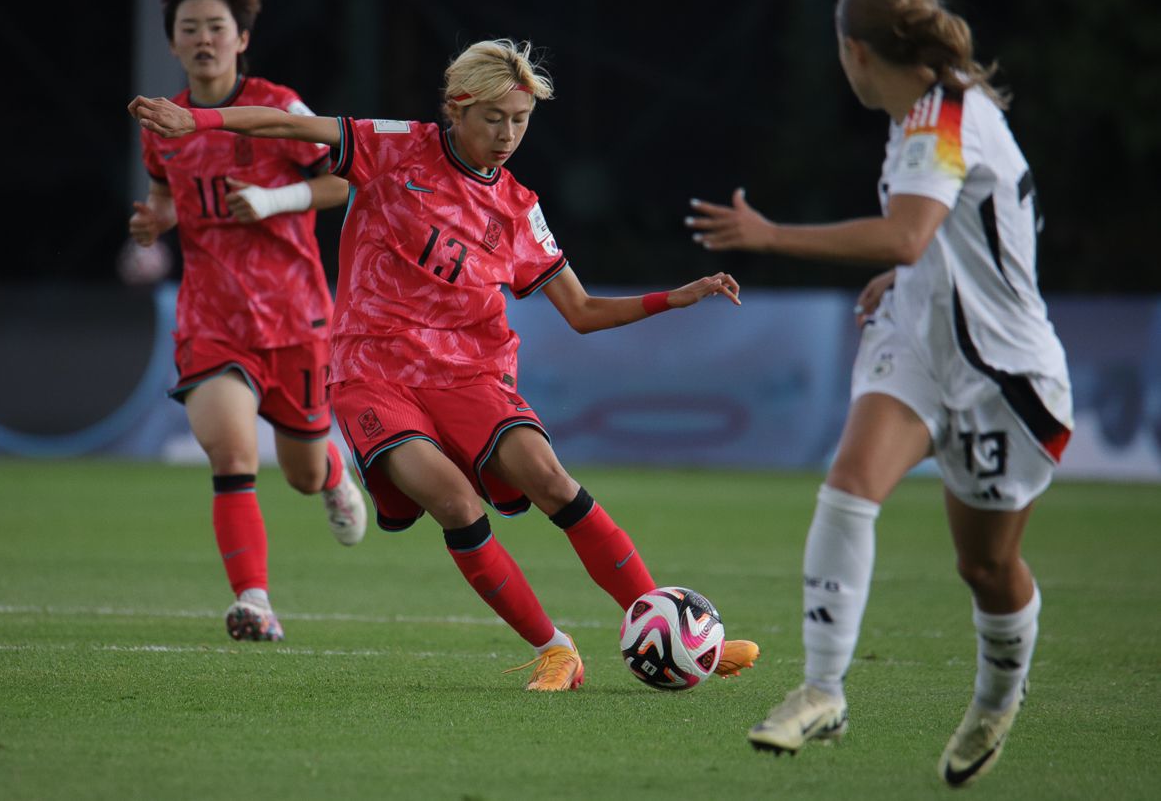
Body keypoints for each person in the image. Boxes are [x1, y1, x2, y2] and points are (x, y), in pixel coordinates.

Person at [131, 38, 760, 690]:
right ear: (455, 109)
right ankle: (554, 649)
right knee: (456, 503)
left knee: (551, 479)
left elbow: (582, 311)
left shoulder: (518, 207)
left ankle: (672, 628)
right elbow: (291, 125)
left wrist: (677, 297)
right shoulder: (396, 145)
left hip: (470, 371)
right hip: (372, 369)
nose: (508, 134)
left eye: (519, 120)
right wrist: (199, 120)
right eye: (494, 118)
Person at [685, 0, 1073, 787]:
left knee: (986, 568)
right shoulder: (925, 113)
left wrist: (771, 235)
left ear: (857, 53)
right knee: (850, 484)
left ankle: (997, 698)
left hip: (1005, 374)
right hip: (920, 342)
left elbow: (905, 233)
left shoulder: (942, 118)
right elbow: (954, 234)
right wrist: (909, 279)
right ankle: (822, 688)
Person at [129, 0, 367, 644]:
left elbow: (344, 182)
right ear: (172, 41)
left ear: (242, 38)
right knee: (233, 456)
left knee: (298, 471)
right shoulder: (163, 125)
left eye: (217, 26)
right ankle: (254, 602)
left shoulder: (277, 107)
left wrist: (274, 197)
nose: (204, 39)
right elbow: (165, 196)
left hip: (296, 316)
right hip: (212, 319)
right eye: (190, 28)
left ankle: (329, 473)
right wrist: (154, 220)